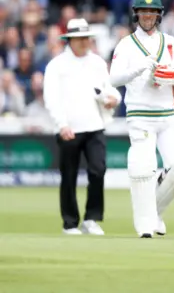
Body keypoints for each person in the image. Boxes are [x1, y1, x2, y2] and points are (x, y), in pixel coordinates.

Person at [109, 0, 174, 238]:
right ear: (136, 14)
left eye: (152, 12)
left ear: (159, 15)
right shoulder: (126, 44)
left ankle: (155, 213)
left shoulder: (170, 42)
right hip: (140, 114)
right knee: (142, 167)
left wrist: (164, 75)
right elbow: (114, 78)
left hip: (168, 114)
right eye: (143, 11)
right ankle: (144, 224)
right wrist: (139, 69)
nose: (148, 16)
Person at [43, 18, 122, 235]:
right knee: (68, 175)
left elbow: (110, 89)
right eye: (79, 38)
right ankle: (69, 223)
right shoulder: (56, 65)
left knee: (98, 170)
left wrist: (113, 99)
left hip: (95, 126)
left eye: (86, 38)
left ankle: (91, 219)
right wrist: (62, 124)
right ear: (70, 40)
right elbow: (52, 98)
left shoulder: (97, 62)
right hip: (69, 128)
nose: (84, 42)